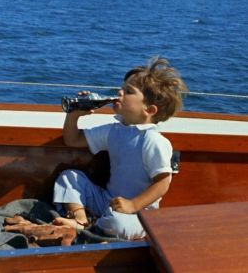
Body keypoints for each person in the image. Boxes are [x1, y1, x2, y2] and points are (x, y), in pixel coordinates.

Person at [53, 57, 187, 240]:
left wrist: (132, 205)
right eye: (122, 88)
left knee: (117, 223)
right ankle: (81, 221)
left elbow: (163, 183)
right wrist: (74, 115)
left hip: (139, 212)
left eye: (128, 91)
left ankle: (90, 226)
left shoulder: (152, 140)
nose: (119, 92)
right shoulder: (114, 130)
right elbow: (73, 140)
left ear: (149, 110)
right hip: (109, 200)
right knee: (69, 177)